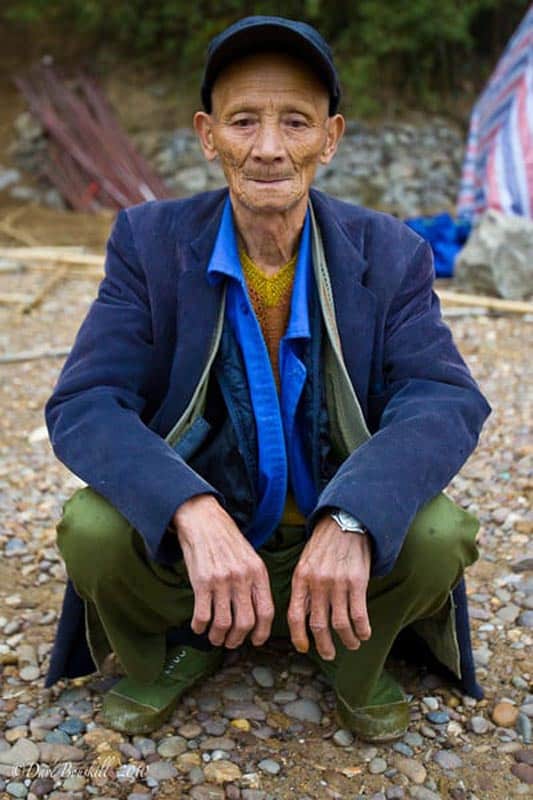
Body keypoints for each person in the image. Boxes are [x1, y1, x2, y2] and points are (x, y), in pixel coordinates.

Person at [45, 16, 491, 741]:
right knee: (90, 529)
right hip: (200, 552)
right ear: (207, 134)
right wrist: (186, 507)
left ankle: (353, 654)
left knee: (440, 534)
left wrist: (352, 516)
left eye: (295, 122)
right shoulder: (147, 241)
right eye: (243, 121)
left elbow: (441, 397)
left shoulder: (392, 251)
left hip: (329, 542)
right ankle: (171, 651)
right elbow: (87, 401)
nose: (269, 148)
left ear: (331, 137)